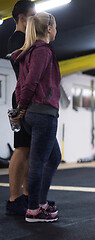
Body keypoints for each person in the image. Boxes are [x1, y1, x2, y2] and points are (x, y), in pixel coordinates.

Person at [11, 12, 61, 222]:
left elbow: (21, 85)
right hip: (42, 113)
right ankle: (34, 209)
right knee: (39, 162)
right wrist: (21, 108)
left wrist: (21, 110)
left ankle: (40, 201)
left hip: (34, 113)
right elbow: (30, 83)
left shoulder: (27, 52)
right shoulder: (42, 51)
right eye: (55, 26)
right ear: (49, 29)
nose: (57, 30)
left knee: (53, 157)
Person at [6, 0, 35, 216]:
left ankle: (26, 195)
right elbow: (24, 68)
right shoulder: (17, 39)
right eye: (33, 16)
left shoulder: (28, 39)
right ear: (22, 17)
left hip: (31, 98)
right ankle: (14, 198)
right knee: (21, 148)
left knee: (29, 151)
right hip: (21, 96)